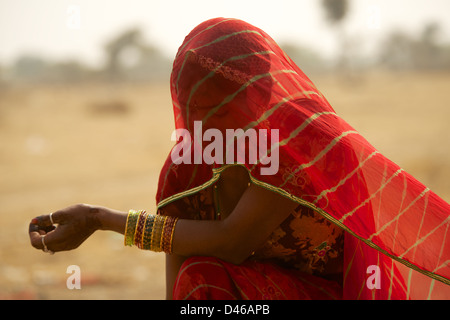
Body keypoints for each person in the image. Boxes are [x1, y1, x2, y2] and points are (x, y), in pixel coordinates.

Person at [29, 17, 450, 300]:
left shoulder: (302, 147)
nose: (205, 124)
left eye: (222, 109)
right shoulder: (189, 162)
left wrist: (101, 219)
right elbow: (181, 275)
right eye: (193, 109)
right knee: (199, 281)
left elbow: (232, 241)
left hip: (335, 294)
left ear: (261, 96)